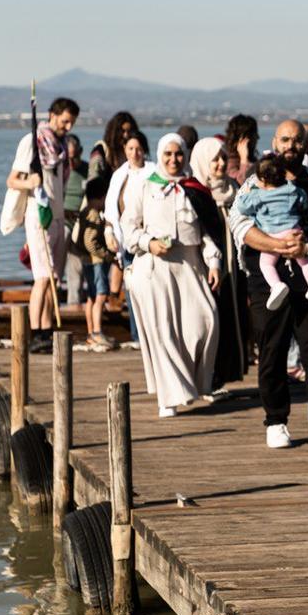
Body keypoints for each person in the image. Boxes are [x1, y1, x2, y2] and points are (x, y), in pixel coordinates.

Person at [228, 120, 308, 448]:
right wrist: (277, 246)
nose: (291, 145)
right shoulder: (255, 182)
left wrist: (306, 248)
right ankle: (275, 420)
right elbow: (239, 223)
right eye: (285, 139)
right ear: (275, 142)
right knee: (272, 350)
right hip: (267, 278)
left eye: (297, 140)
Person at [120, 133, 221, 418]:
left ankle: (193, 383)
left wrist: (214, 263)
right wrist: (147, 243)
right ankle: (169, 396)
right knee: (162, 330)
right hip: (155, 268)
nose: (173, 160)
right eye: (167, 154)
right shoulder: (144, 186)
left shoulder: (196, 189)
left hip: (190, 265)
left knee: (204, 322)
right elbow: (129, 227)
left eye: (178, 154)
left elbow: (208, 234)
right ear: (160, 155)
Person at [6, 96, 78, 353]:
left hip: (58, 217)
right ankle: (35, 331)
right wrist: (31, 183)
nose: (68, 127)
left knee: (55, 278)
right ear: (53, 115)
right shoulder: (33, 141)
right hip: (40, 215)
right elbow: (13, 180)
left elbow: (60, 183)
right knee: (42, 277)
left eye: (72, 123)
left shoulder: (62, 145)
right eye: (65, 121)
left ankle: (47, 329)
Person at [189, 136, 248, 392]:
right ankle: (205, 375)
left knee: (231, 318)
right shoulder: (194, 192)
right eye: (215, 159)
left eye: (224, 157)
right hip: (208, 268)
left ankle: (225, 373)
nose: (221, 163)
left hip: (235, 268)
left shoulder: (234, 189)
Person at [234, 155, 308, 310]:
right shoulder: (293, 189)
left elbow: (242, 208)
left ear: (262, 179)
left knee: (266, 264)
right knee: (306, 261)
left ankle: (276, 285)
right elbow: (303, 203)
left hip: (271, 235)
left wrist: (247, 191)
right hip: (294, 232)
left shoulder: (257, 194)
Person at [104, 131, 153, 348]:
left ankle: (152, 334)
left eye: (138, 148)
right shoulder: (119, 176)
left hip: (150, 240)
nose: (134, 153)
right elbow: (110, 208)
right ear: (125, 151)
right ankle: (136, 336)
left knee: (150, 289)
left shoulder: (153, 172)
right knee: (132, 289)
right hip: (126, 241)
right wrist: (109, 232)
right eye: (130, 149)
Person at [75, 175, 117, 351]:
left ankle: (91, 333)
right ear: (101, 197)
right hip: (96, 261)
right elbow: (90, 240)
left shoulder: (84, 212)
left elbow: (79, 240)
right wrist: (106, 254)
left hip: (86, 260)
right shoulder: (93, 214)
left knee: (91, 297)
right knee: (100, 295)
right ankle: (98, 332)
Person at [62, 133, 89, 305]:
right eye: (68, 157)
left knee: (76, 267)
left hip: (80, 224)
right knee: (55, 266)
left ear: (80, 151)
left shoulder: (87, 171)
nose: (72, 161)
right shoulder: (59, 170)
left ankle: (74, 305)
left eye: (75, 156)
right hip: (62, 223)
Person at [89, 111, 140, 181]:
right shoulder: (101, 149)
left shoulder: (135, 151)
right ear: (114, 131)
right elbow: (93, 178)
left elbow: (147, 172)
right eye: (122, 131)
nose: (126, 135)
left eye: (129, 131)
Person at [224, 113, 260, 184]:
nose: (258, 137)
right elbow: (243, 183)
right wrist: (244, 160)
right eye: (254, 135)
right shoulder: (228, 162)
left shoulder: (252, 160)